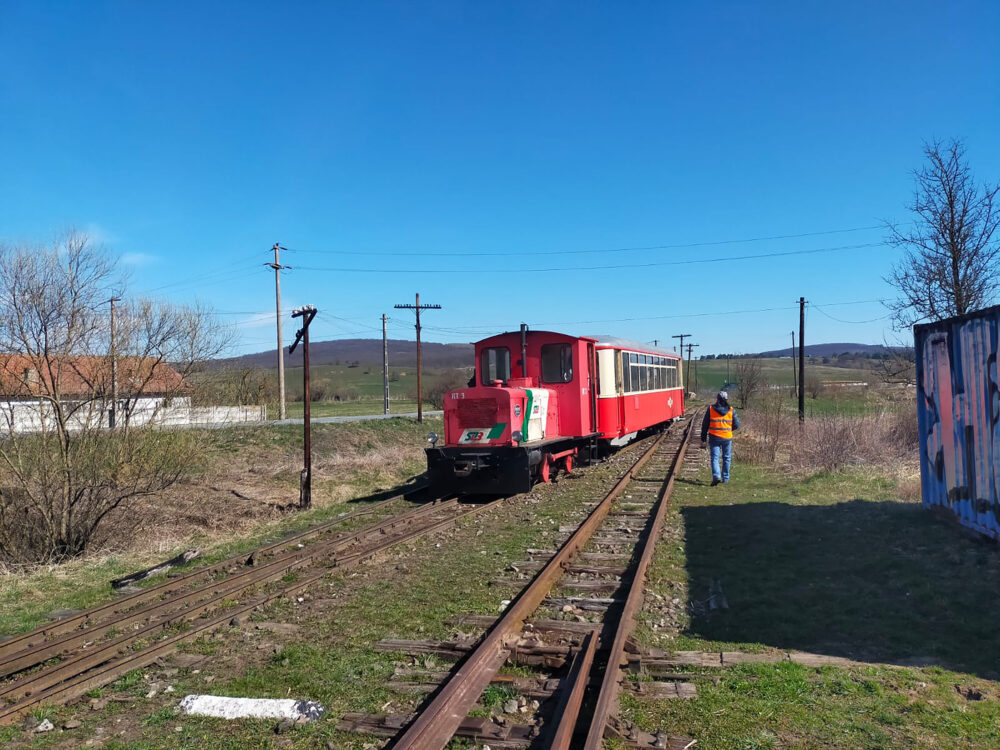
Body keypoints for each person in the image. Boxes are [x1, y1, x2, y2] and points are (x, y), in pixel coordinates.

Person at [700, 390, 740, 486]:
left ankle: (716, 476)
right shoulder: (731, 410)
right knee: (727, 458)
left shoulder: (710, 409)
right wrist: (729, 430)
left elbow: (705, 424)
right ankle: (725, 478)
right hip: (727, 437)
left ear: (717, 399)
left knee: (715, 458)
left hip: (714, 437)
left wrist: (703, 437)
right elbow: (737, 425)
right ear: (726, 399)